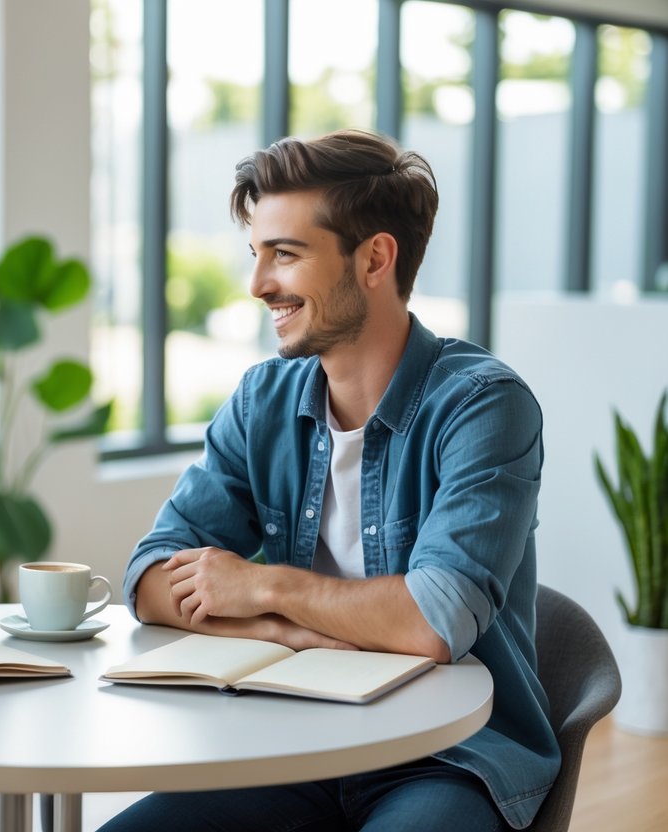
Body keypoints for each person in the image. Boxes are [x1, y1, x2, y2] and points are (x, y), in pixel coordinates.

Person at [99, 130, 559, 832]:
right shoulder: (264, 399)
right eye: (255, 255)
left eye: (284, 254)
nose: (257, 285)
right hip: (290, 748)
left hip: (449, 757)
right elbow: (149, 574)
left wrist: (263, 585)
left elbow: (433, 621)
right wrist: (290, 634)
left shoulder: (483, 405)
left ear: (374, 257)